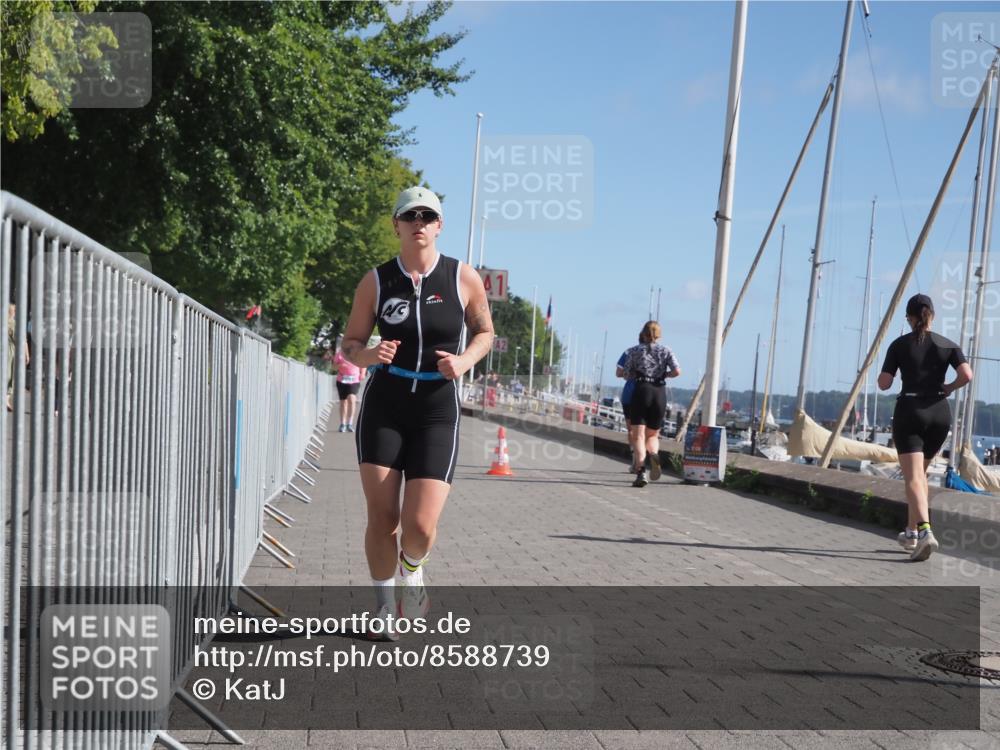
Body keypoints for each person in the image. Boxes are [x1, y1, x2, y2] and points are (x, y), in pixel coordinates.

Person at [340, 186, 493, 640]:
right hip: (385, 406)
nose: (419, 223)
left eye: (428, 216)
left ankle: (413, 570)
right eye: (410, 216)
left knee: (420, 526)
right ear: (397, 225)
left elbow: (484, 332)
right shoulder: (376, 281)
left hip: (436, 409)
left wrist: (464, 362)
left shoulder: (463, 277)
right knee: (382, 516)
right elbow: (350, 343)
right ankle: (385, 607)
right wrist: (368, 356)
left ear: (439, 225)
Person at [878, 294, 972, 562]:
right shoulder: (948, 344)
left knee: (914, 478)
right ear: (932, 315)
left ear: (909, 318)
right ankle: (910, 532)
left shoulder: (899, 345)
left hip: (911, 411)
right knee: (919, 477)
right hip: (939, 414)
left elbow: (884, 383)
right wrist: (949, 387)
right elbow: (967, 375)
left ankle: (925, 532)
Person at [621, 321, 682, 487]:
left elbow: (626, 374)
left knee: (638, 436)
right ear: (659, 334)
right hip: (659, 392)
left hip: (641, 391)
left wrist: (636, 374)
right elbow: (677, 371)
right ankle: (654, 454)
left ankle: (641, 471)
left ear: (643, 334)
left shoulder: (634, 351)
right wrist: (665, 375)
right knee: (653, 435)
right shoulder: (666, 350)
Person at [333, 340, 365, 432]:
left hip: (354, 380)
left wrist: (362, 373)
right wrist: (340, 365)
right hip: (342, 380)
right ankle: (343, 424)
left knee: (352, 399)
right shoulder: (339, 354)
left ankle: (350, 423)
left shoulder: (358, 353)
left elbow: (363, 364)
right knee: (343, 402)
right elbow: (334, 367)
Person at [615, 348, 638, 470]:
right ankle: (647, 456)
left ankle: (635, 460)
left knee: (631, 430)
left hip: (630, 393)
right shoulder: (660, 351)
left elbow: (618, 373)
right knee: (647, 431)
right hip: (650, 394)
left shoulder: (629, 352)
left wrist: (629, 373)